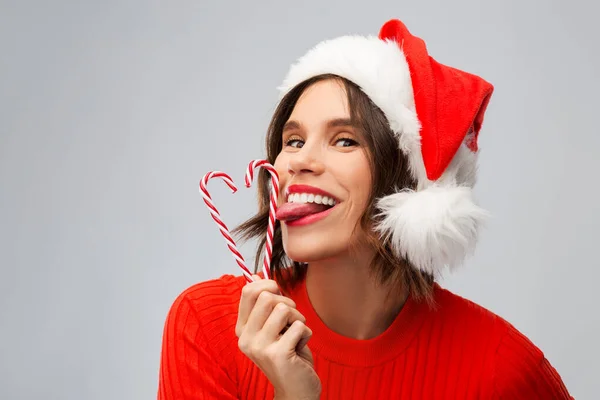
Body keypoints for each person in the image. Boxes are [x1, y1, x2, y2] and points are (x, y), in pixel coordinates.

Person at [157, 19, 572, 399]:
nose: (299, 161)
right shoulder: (208, 328)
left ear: (408, 184)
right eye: (294, 141)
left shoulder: (500, 368)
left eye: (344, 140)